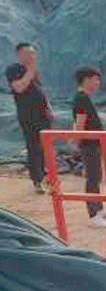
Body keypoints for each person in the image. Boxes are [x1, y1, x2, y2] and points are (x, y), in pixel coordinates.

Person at [5, 43, 54, 193]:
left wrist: (49, 109)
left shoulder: (33, 72)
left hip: (43, 115)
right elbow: (19, 87)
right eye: (29, 53)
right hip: (28, 116)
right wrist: (30, 70)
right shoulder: (14, 70)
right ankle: (37, 180)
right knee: (34, 147)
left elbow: (41, 92)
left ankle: (48, 176)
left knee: (46, 146)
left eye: (33, 53)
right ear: (20, 55)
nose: (33, 56)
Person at [72, 66, 106, 227]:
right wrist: (76, 142)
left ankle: (98, 210)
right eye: (96, 80)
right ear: (87, 80)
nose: (98, 83)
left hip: (92, 143)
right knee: (93, 178)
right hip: (89, 144)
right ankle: (94, 215)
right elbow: (80, 123)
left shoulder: (83, 98)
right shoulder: (81, 98)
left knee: (96, 177)